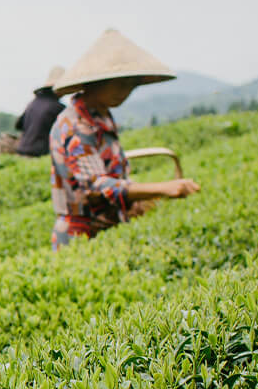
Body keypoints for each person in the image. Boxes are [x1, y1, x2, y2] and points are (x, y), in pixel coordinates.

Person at [48, 29, 201, 251]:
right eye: (119, 83)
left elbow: (111, 172)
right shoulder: (74, 124)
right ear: (96, 82)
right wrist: (163, 188)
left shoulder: (100, 115)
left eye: (131, 84)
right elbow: (96, 185)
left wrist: (133, 203)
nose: (125, 91)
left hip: (108, 230)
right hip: (81, 237)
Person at [14, 66, 66, 157]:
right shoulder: (58, 108)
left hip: (20, 152)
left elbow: (18, 125)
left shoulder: (32, 103)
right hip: (38, 155)